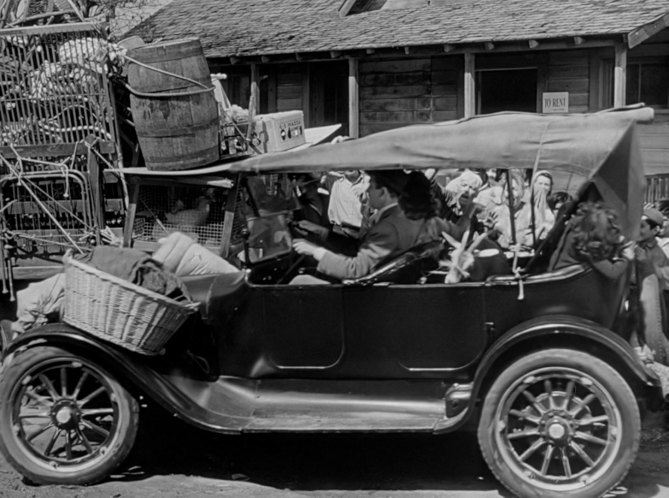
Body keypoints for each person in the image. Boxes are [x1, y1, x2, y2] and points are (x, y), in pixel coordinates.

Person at [292, 170, 432, 282]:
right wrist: (323, 232)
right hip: (380, 286)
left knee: (300, 280)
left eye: (370, 185)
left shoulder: (388, 227)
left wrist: (314, 251)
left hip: (369, 296)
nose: (366, 189)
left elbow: (355, 270)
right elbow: (359, 248)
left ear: (383, 192)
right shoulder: (402, 218)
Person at [550, 201, 633, 279]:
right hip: (567, 279)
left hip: (559, 272)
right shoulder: (590, 247)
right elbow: (613, 272)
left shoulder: (577, 229)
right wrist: (625, 258)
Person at [634, 207, 669, 364]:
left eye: (642, 226)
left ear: (655, 230)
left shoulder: (657, 254)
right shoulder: (635, 246)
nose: (637, 229)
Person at [326, 169, 369, 239]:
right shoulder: (335, 181)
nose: (349, 167)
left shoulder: (367, 183)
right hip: (339, 231)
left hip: (360, 232)